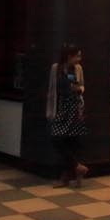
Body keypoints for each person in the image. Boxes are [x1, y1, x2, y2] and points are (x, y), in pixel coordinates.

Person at [46, 44, 88, 186]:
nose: (79, 59)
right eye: (78, 56)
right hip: (61, 107)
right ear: (69, 56)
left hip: (74, 107)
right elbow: (52, 89)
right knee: (57, 138)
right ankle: (77, 167)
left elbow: (82, 85)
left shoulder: (78, 68)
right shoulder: (56, 68)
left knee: (72, 141)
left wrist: (79, 90)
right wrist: (50, 110)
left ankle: (68, 176)